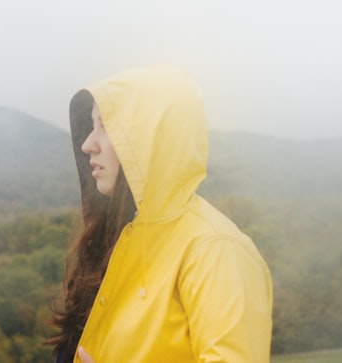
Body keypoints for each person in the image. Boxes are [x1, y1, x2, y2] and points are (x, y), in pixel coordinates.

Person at [48, 65, 273, 363]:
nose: (88, 144)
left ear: (150, 139)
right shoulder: (117, 239)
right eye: (91, 127)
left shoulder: (215, 249)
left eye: (106, 127)